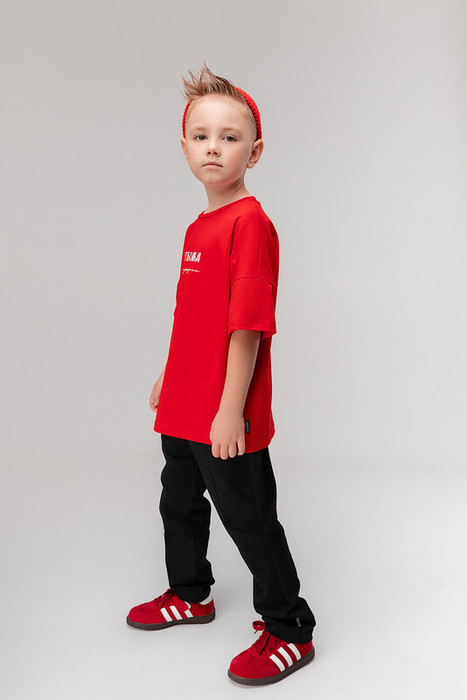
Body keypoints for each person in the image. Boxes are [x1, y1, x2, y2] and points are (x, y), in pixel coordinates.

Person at [126, 62, 317, 686]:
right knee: (178, 503)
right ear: (184, 147)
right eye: (201, 135)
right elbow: (193, 315)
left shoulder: (250, 223)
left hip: (222, 414)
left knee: (249, 516)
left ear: (253, 152)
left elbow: (247, 327)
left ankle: (289, 628)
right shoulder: (198, 226)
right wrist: (170, 373)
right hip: (184, 404)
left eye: (229, 137)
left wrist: (231, 409)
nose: (213, 147)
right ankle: (191, 593)